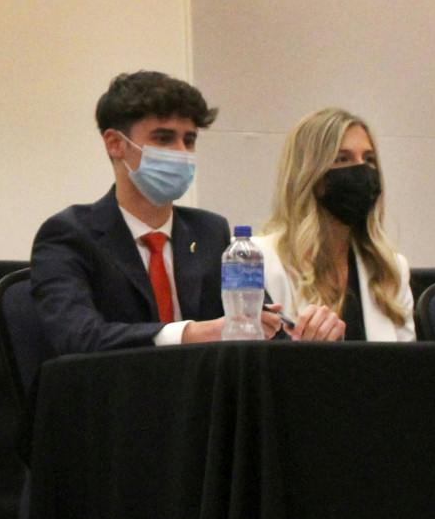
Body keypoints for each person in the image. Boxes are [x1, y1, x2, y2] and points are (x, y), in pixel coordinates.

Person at [29, 70, 343, 356]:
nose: (181, 153)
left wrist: (307, 337)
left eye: (189, 140)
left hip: (206, 405)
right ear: (115, 144)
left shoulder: (210, 232)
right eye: (163, 138)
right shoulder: (70, 235)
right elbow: (78, 337)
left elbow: (258, 331)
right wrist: (192, 333)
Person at [254, 108, 414, 341]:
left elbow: (410, 368)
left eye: (369, 160)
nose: (361, 170)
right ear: (309, 174)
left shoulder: (391, 269)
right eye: (342, 159)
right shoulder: (260, 260)